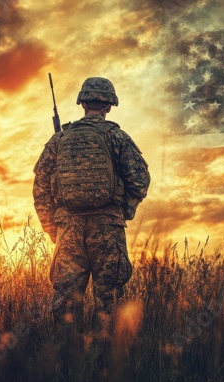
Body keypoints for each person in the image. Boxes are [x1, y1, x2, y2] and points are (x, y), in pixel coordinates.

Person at [33, 77, 150, 335]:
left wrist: (53, 228)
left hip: (68, 229)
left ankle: (66, 360)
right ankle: (104, 362)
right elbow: (140, 181)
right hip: (108, 227)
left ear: (83, 103)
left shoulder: (58, 140)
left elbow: (41, 186)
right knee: (108, 299)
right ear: (109, 106)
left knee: (65, 301)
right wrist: (123, 212)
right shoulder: (116, 137)